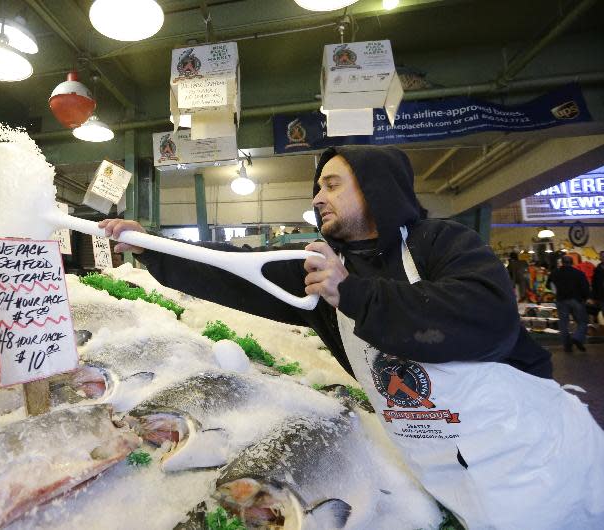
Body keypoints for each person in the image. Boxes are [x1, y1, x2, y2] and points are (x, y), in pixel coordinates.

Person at [100, 145, 604, 529]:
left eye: (333, 184)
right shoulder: (317, 271)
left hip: (535, 450)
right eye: (317, 187)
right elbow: (229, 273)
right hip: (442, 463)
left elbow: (489, 320)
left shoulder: (440, 243)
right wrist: (148, 247)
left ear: (376, 188)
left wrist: (355, 294)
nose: (318, 196)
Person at [547, 254, 590, 352]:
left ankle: (567, 346)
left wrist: (557, 292)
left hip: (561, 300)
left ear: (562, 262)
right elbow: (585, 287)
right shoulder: (578, 273)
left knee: (563, 324)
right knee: (582, 321)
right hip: (576, 300)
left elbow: (549, 285)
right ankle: (577, 338)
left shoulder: (554, 273)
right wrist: (585, 298)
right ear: (572, 263)